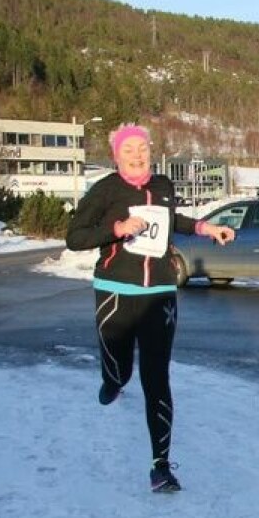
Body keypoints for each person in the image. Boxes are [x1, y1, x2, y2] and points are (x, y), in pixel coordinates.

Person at [66, 123, 235, 492]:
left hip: (159, 293)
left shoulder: (163, 187)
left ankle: (160, 466)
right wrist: (118, 227)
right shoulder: (106, 189)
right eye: (129, 150)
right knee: (120, 367)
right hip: (114, 292)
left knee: (156, 378)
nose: (137, 155)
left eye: (142, 148)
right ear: (117, 155)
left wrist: (208, 229)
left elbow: (172, 221)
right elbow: (75, 237)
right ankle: (112, 380)